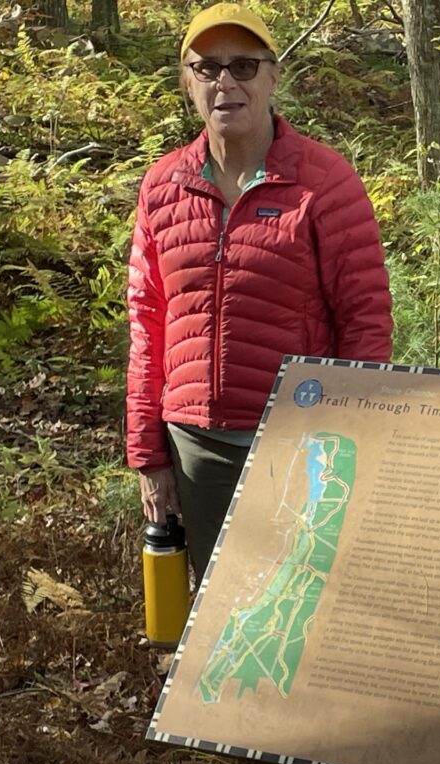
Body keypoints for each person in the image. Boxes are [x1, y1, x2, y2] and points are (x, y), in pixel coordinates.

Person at [126, 3, 392, 579]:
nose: (226, 82)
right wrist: (147, 452)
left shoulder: (325, 183)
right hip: (195, 443)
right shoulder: (162, 185)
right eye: (208, 68)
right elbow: (147, 325)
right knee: (213, 612)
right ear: (187, 82)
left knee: (294, 607)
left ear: (274, 76)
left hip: (295, 442)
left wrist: (345, 442)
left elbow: (366, 322)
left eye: (244, 66)